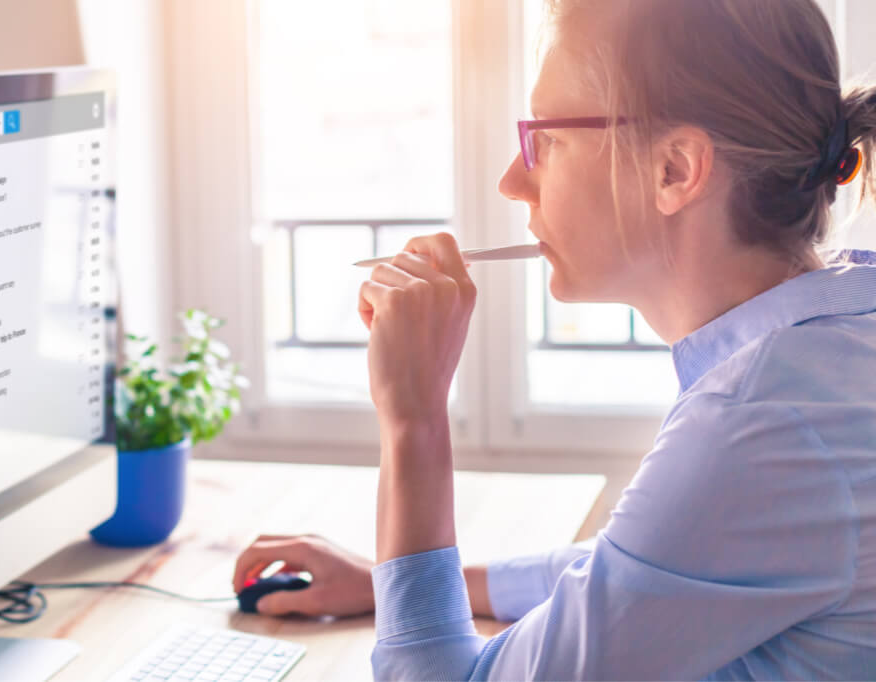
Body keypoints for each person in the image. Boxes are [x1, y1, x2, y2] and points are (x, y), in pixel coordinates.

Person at [232, 0, 876, 677]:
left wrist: (414, 418)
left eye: (548, 139)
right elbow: (641, 572)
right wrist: (390, 584)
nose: (513, 181)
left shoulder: (759, 425)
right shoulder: (826, 354)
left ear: (676, 170)